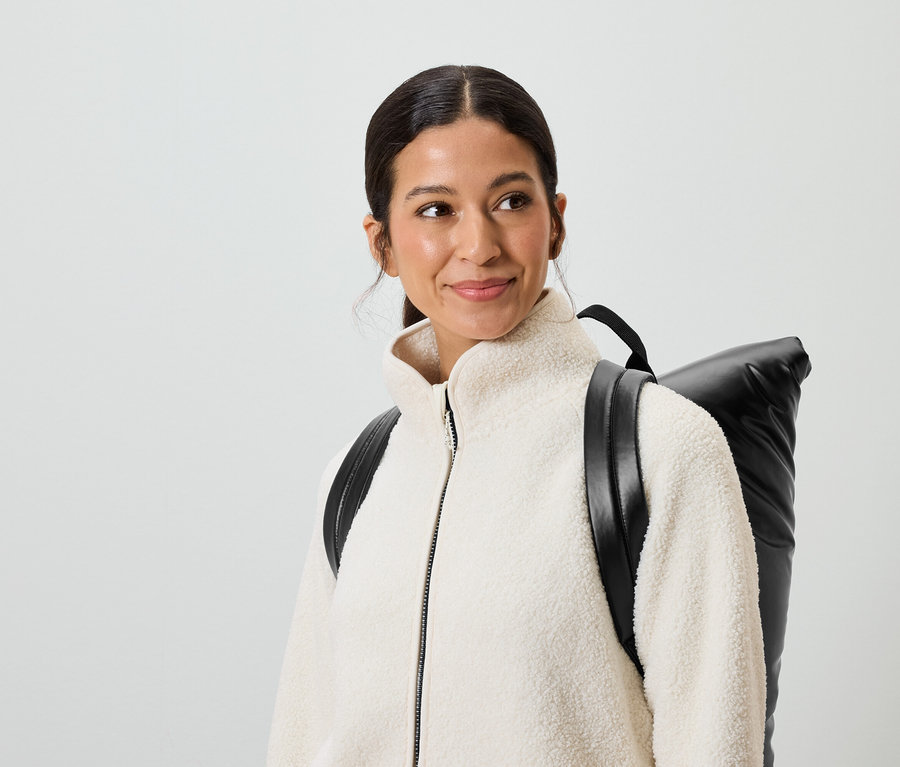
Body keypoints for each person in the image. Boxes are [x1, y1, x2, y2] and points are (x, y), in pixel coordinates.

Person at [267, 65, 766, 766]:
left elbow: (716, 747)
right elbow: (303, 735)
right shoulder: (359, 477)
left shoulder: (660, 448)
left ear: (555, 221)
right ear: (381, 242)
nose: (479, 245)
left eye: (509, 201)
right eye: (436, 210)